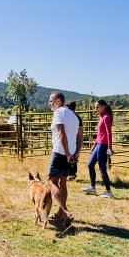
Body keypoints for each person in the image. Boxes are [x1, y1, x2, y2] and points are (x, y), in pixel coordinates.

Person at [47, 92, 79, 226]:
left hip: (60, 152)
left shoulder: (59, 113)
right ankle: (61, 212)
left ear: (58, 101)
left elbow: (62, 135)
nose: (50, 103)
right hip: (70, 153)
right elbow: (78, 137)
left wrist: (66, 154)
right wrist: (73, 154)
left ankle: (65, 211)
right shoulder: (74, 116)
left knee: (52, 181)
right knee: (63, 183)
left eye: (51, 101)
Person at [82, 100, 114, 198]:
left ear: (103, 106)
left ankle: (108, 191)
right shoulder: (101, 117)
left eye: (98, 107)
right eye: (95, 107)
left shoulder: (106, 117)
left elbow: (109, 133)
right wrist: (93, 145)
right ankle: (92, 187)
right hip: (99, 144)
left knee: (102, 168)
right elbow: (99, 134)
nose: (96, 109)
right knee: (90, 164)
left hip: (103, 145)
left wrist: (109, 147)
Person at [67, 101, 84, 181]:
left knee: (68, 155)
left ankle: (69, 173)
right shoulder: (78, 117)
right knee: (74, 155)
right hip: (76, 138)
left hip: (70, 138)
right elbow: (81, 130)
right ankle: (72, 173)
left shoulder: (68, 117)